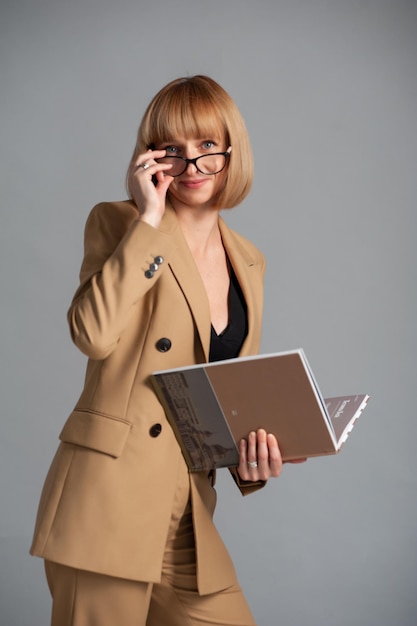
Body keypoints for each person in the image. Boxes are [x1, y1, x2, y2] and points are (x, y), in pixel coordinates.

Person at [30, 75, 290, 626]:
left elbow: (231, 393)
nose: (191, 165)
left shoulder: (249, 260)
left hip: (189, 513)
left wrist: (255, 461)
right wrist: (148, 220)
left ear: (230, 151)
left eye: (206, 147)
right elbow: (93, 333)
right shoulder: (120, 223)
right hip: (108, 502)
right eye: (171, 149)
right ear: (150, 158)